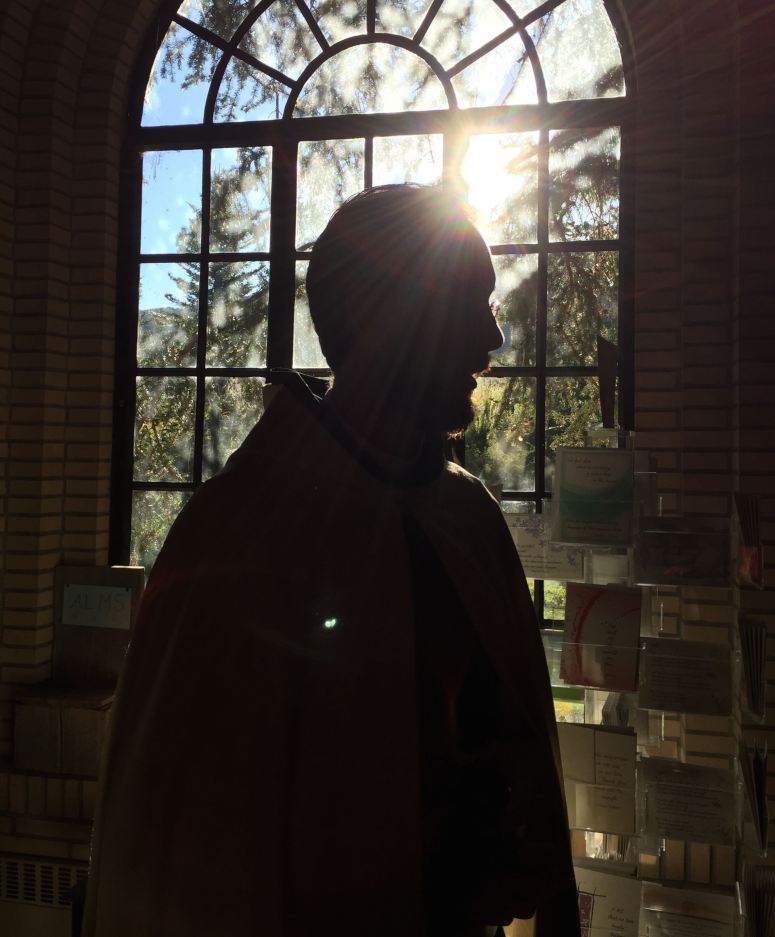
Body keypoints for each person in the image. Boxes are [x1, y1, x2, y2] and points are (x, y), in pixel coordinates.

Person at [84, 185, 580, 937]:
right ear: (385, 316)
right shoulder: (234, 539)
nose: (493, 338)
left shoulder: (467, 517)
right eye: (466, 301)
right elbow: (177, 854)